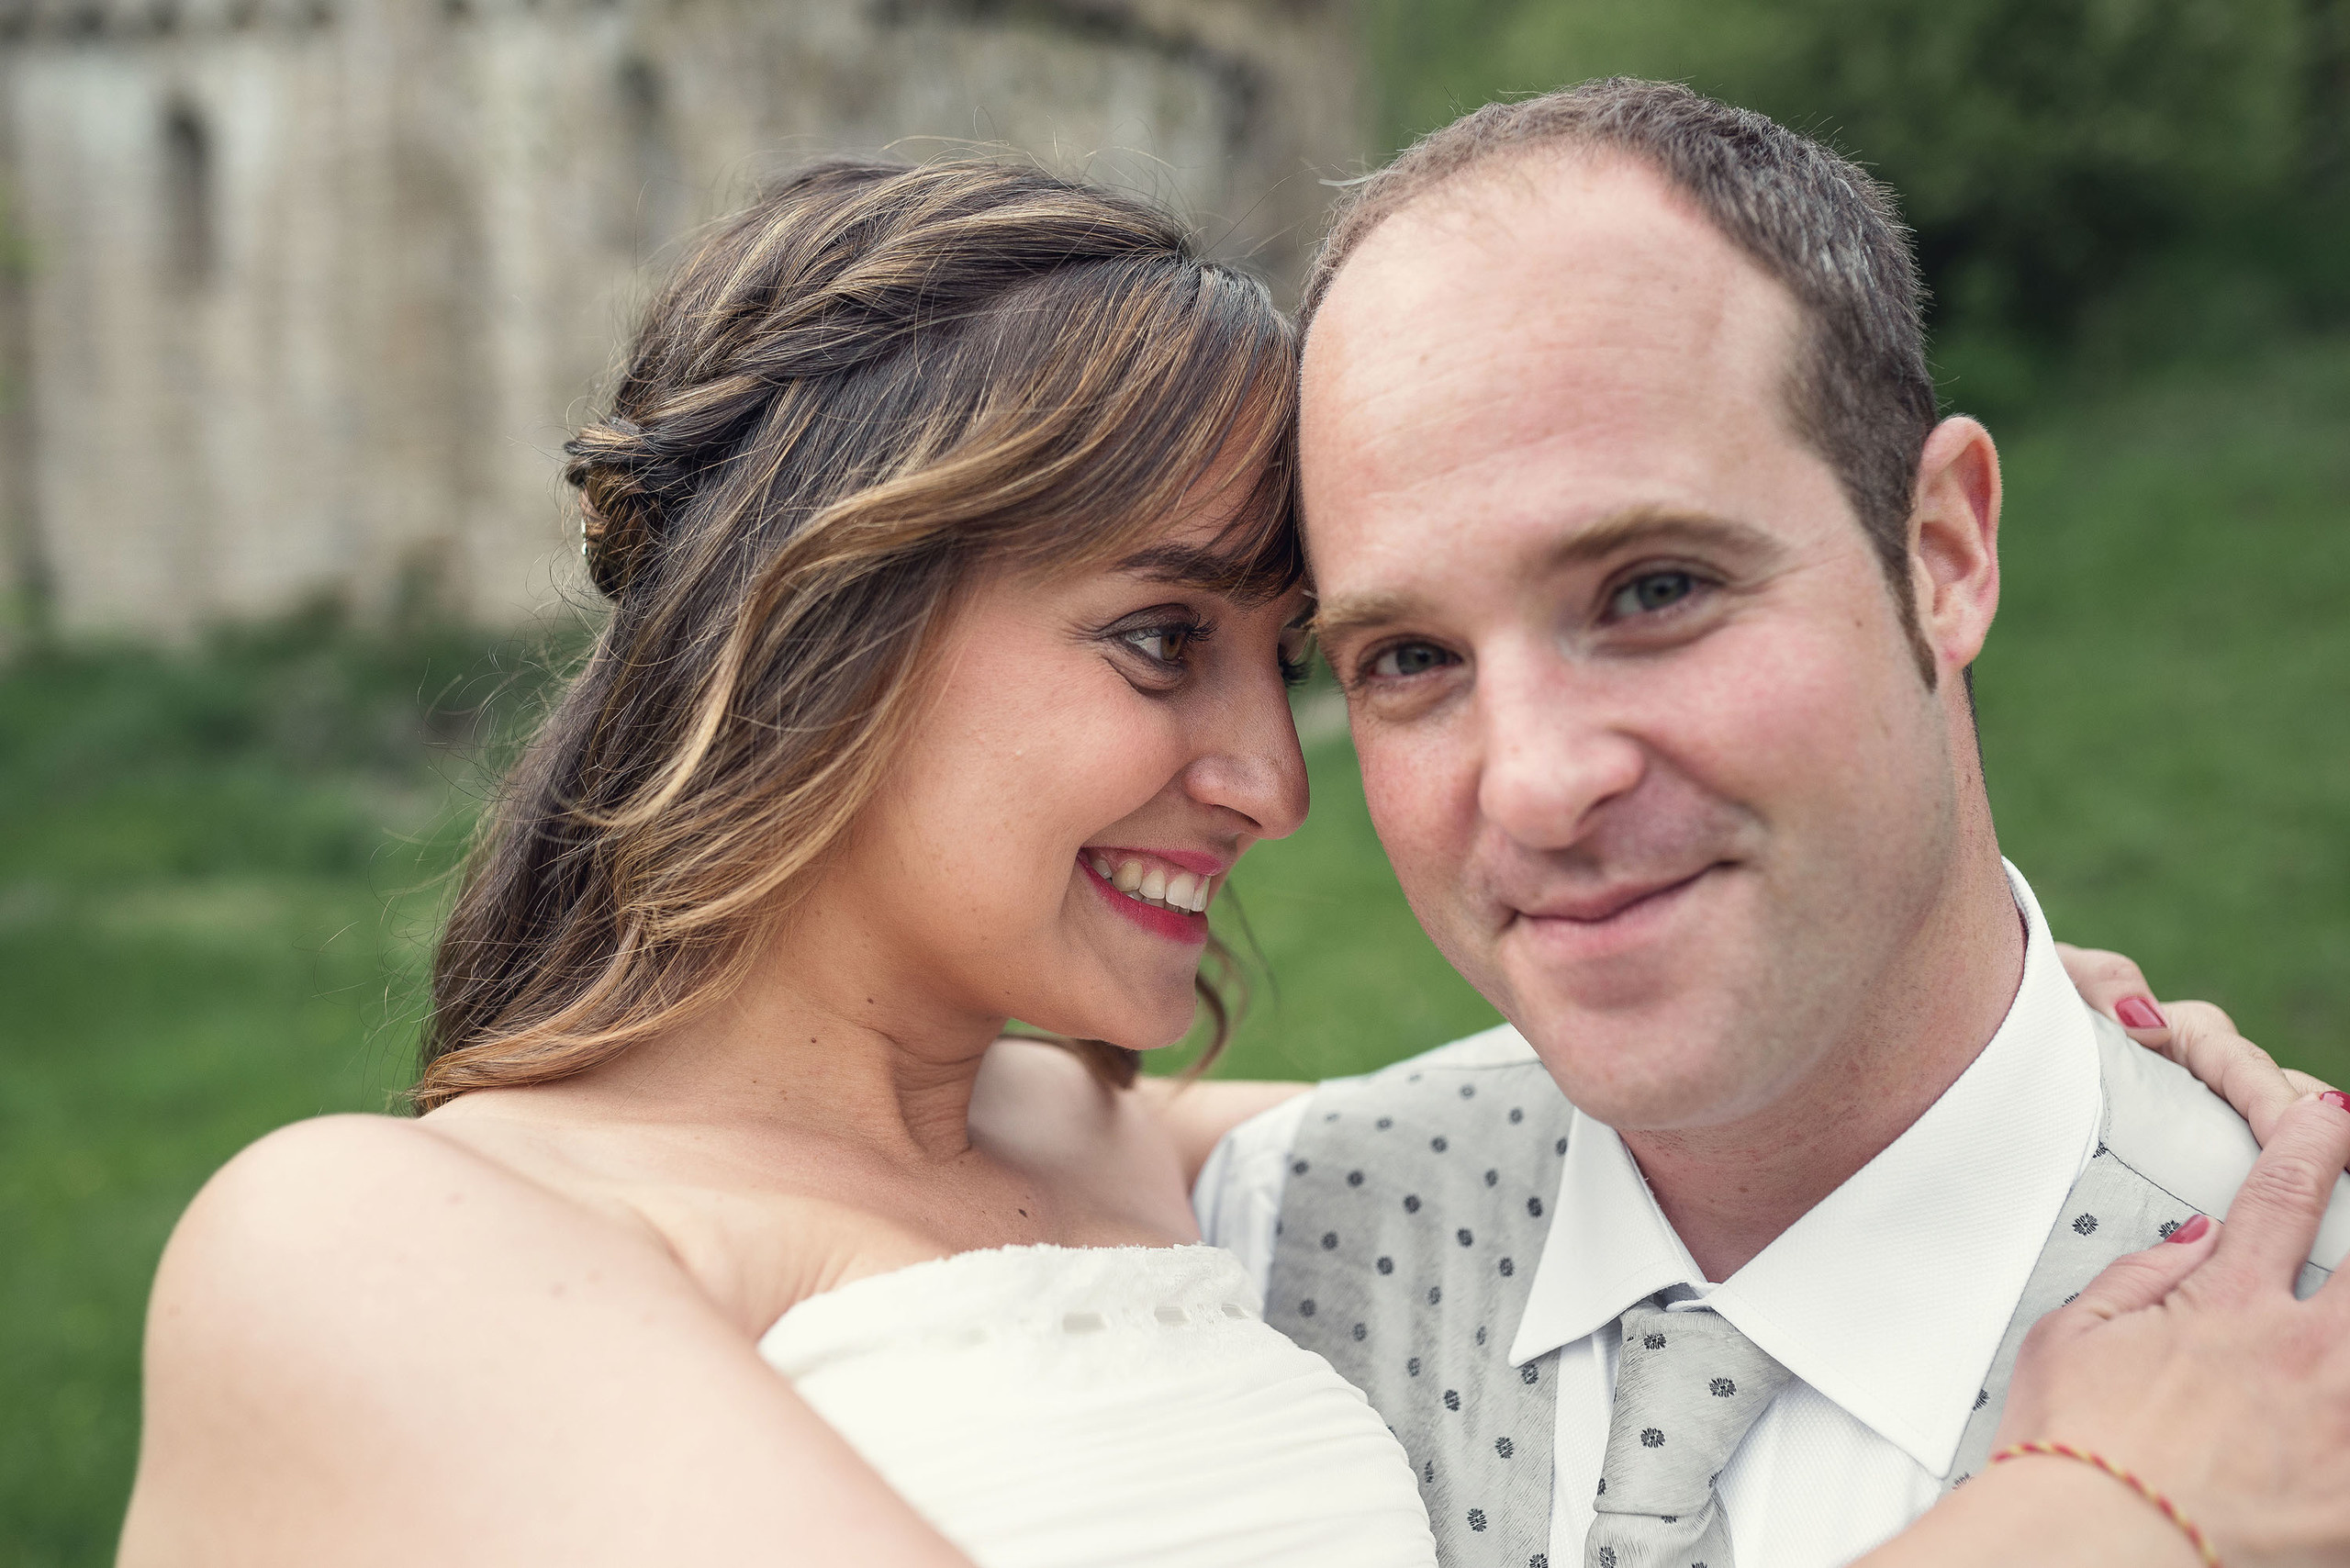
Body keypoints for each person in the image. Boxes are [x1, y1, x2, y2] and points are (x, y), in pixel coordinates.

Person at [115, 155, 2350, 1568]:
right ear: (830, 616)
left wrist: (2060, 1042)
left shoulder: (1154, 1167)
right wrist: (2099, 1504)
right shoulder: (367, 1244)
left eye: (1291, 663)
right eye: (1162, 638)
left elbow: (1777, 1111)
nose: (1267, 784)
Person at [1198, 77, 2350, 1568]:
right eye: (1410, 660)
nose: (1538, 783)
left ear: (1942, 552)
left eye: (1655, 589)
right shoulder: (1261, 1243)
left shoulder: (2309, 1343)